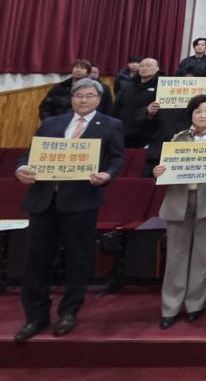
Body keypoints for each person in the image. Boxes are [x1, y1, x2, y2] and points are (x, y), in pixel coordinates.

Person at [14, 78, 124, 341]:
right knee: (36, 260)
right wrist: (21, 168)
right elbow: (30, 154)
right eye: (78, 95)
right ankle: (36, 315)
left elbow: (117, 158)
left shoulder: (111, 125)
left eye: (89, 95)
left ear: (98, 99)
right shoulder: (52, 123)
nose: (83, 100)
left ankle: (69, 312)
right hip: (44, 200)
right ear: (72, 98)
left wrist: (107, 175)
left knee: (78, 260)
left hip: (81, 202)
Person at [153, 94, 206, 329]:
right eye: (198, 111)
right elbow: (167, 167)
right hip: (179, 200)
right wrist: (159, 172)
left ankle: (194, 304)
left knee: (202, 255)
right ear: (191, 114)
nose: (203, 115)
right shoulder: (178, 138)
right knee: (175, 255)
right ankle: (170, 306)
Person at [113, 57, 161, 148]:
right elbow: (116, 108)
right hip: (123, 132)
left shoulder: (160, 88)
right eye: (142, 66)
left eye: (149, 66)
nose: (144, 68)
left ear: (157, 69)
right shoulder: (127, 86)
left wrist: (147, 112)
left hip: (146, 135)